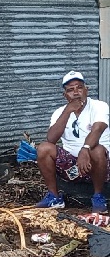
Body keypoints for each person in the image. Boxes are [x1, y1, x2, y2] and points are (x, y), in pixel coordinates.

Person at [36, 71, 110, 213]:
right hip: (72, 166)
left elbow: (97, 130)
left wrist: (85, 149)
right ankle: (55, 198)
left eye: (79, 87)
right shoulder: (60, 112)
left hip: (100, 164)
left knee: (98, 149)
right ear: (65, 95)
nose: (76, 92)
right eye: (70, 90)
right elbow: (51, 139)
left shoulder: (99, 106)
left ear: (86, 90)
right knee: (44, 148)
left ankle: (98, 196)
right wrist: (67, 111)